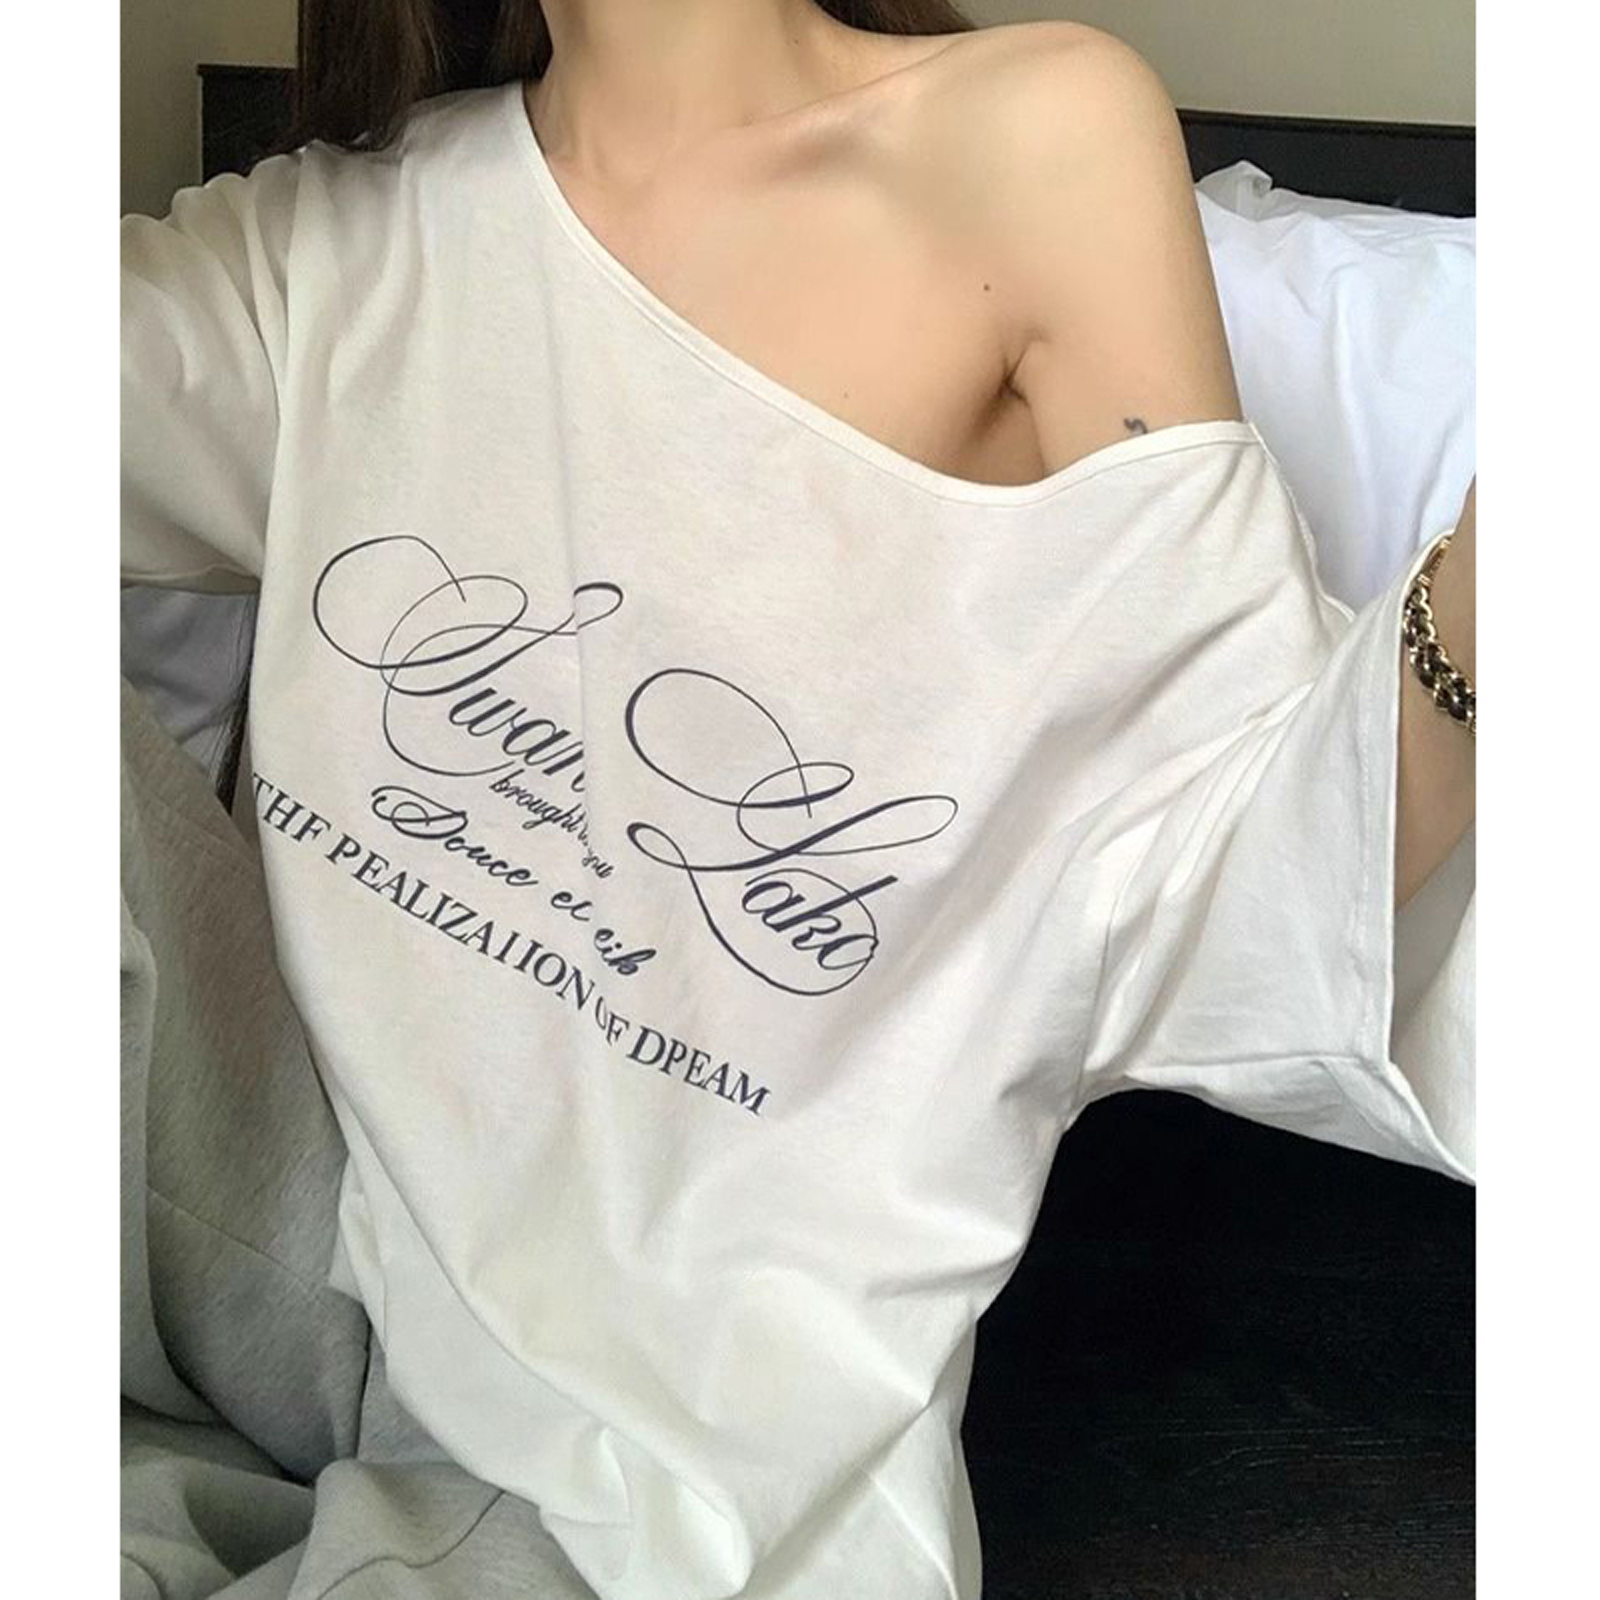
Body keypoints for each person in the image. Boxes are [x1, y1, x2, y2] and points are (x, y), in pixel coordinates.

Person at [120, 3, 1477, 1597]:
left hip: (659, 1445)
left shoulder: (1027, 138)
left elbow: (1246, 881)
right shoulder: (332, 238)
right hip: (249, 1223)